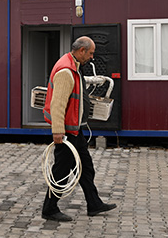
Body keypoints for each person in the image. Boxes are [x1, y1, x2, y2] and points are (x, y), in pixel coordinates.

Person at [41, 36, 117, 222]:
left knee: (85, 168)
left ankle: (94, 204)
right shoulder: (66, 71)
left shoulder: (73, 66)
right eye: (90, 53)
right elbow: (57, 104)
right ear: (81, 51)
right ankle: (49, 209)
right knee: (61, 171)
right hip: (67, 132)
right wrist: (58, 131)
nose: (92, 57)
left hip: (75, 129)